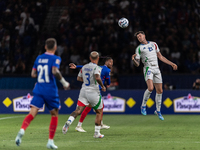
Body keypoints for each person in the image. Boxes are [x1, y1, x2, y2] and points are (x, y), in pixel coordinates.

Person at [15, 38, 70, 149]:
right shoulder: (56, 58)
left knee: (32, 114)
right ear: (55, 47)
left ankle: (22, 130)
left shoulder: (38, 58)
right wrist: (64, 82)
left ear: (45, 47)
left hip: (39, 89)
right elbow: (55, 71)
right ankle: (50, 141)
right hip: (50, 91)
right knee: (54, 114)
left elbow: (33, 74)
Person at [132, 31, 178, 121]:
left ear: (144, 35)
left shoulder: (154, 44)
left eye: (140, 36)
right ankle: (143, 106)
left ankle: (158, 111)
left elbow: (160, 57)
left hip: (156, 68)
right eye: (138, 37)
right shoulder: (139, 48)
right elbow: (137, 64)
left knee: (160, 90)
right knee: (150, 88)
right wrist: (133, 60)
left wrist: (171, 64)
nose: (139, 38)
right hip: (148, 68)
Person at [62, 51, 106, 138]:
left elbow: (78, 78)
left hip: (83, 91)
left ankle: (68, 122)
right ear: (97, 58)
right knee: (99, 112)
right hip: (93, 92)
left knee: (78, 110)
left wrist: (86, 81)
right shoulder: (97, 68)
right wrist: (102, 86)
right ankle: (97, 133)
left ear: (90, 58)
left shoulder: (84, 67)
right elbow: (97, 77)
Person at [69, 57, 113, 132]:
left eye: (112, 62)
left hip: (93, 90)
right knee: (88, 108)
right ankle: (79, 125)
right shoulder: (107, 70)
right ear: (105, 62)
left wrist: (76, 66)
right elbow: (108, 82)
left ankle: (101, 124)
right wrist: (106, 84)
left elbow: (85, 67)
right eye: (109, 62)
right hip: (94, 90)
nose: (111, 63)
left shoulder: (99, 67)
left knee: (101, 107)